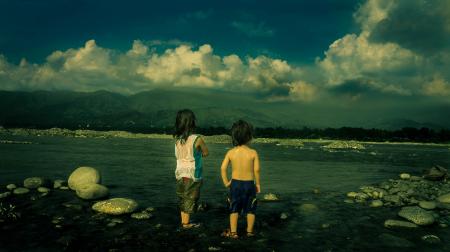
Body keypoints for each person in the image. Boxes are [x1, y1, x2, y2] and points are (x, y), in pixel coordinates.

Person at [220, 120, 261, 238]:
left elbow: (223, 168)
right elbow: (256, 170)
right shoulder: (253, 152)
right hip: (249, 184)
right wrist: (257, 184)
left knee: (233, 208)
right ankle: (249, 232)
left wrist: (226, 183)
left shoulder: (231, 152)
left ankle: (233, 232)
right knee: (251, 208)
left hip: (235, 184)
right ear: (249, 137)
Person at [173, 109, 209, 229]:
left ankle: (184, 221)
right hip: (193, 174)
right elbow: (206, 153)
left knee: (183, 197)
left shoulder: (177, 140)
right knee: (190, 198)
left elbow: (178, 156)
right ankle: (186, 224)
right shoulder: (197, 139)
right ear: (192, 122)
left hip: (179, 173)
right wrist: (199, 153)